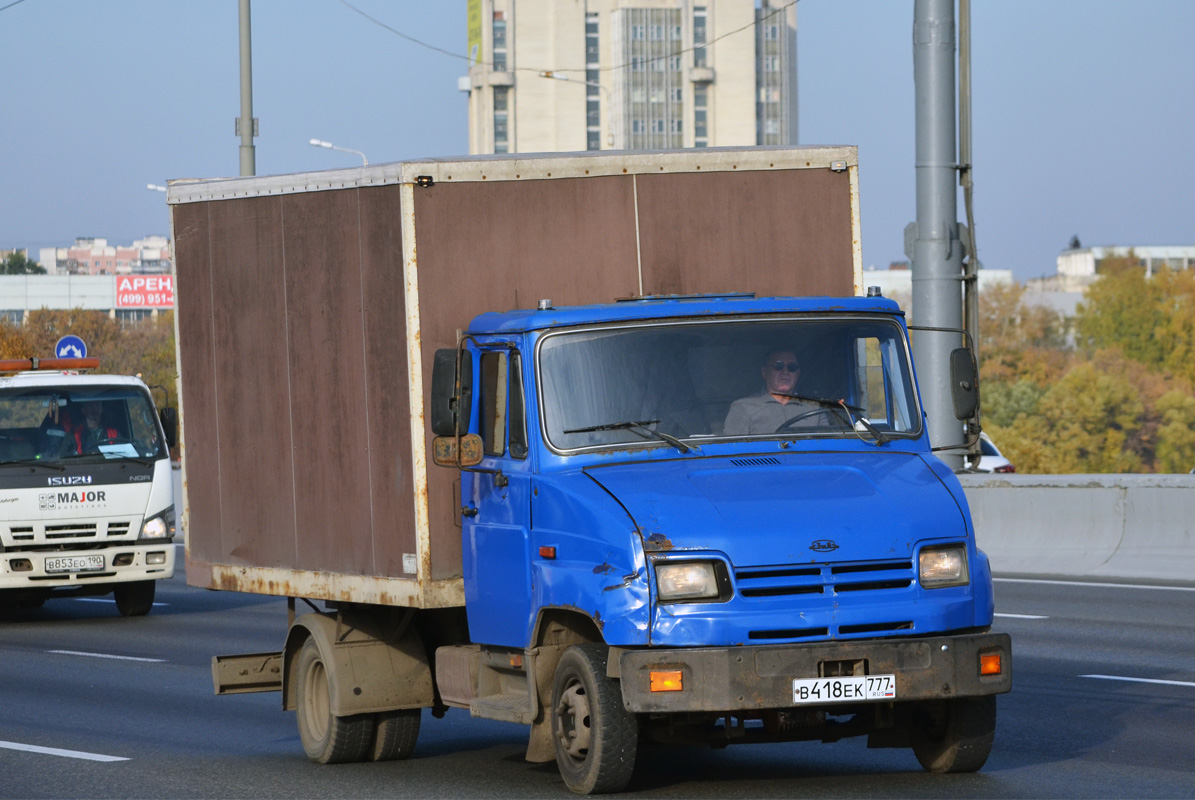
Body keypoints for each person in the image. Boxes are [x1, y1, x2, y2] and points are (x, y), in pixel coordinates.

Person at [723, 348, 826, 435]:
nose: (785, 372)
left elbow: (828, 448)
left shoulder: (815, 408)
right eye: (778, 366)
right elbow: (731, 450)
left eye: (792, 367)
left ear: (798, 373)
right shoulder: (743, 407)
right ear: (764, 372)